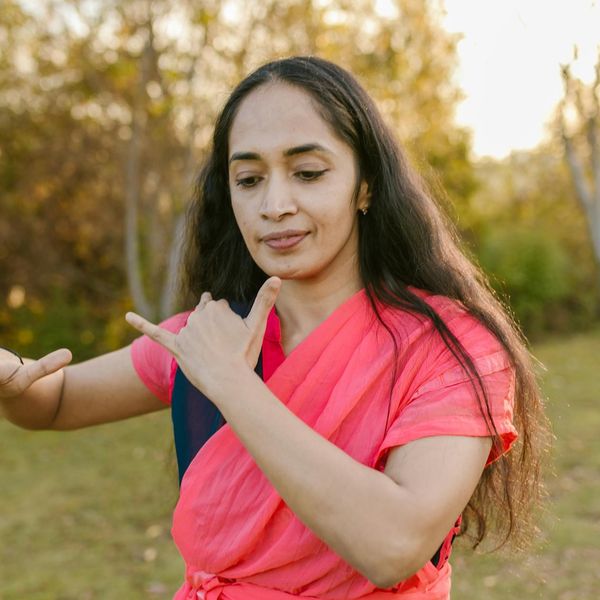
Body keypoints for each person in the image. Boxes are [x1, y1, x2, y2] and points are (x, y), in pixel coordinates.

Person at [0, 56, 548, 599]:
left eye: (308, 173)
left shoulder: (452, 350)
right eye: (249, 179)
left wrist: (233, 384)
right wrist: (13, 377)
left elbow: (394, 545)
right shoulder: (211, 333)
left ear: (366, 187)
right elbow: (56, 400)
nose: (274, 205)